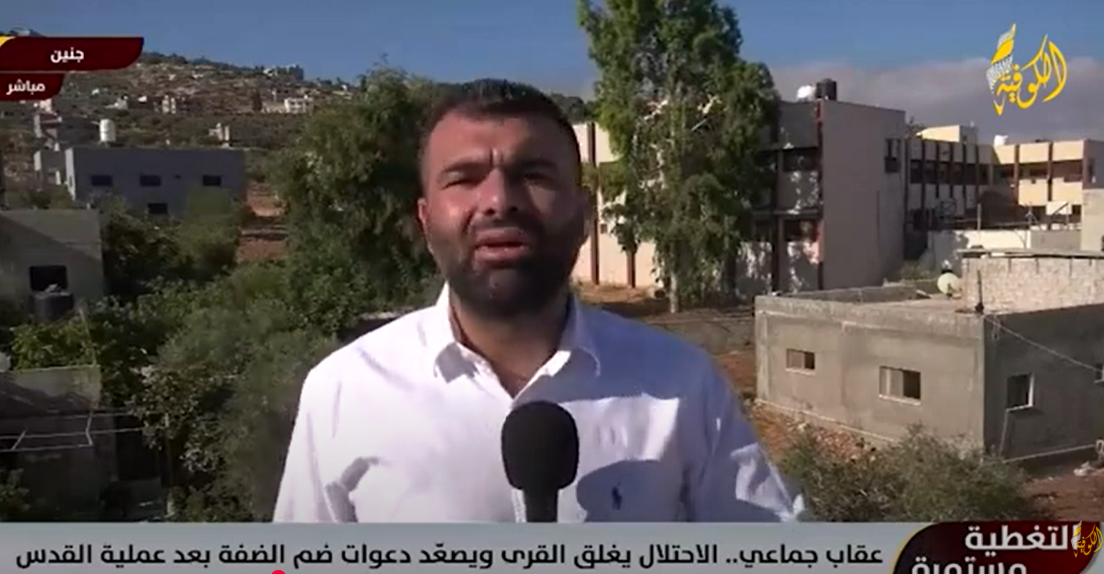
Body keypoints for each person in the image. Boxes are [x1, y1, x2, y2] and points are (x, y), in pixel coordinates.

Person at [273, 79, 804, 522]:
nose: (498, 201)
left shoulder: (683, 384)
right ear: (426, 220)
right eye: (464, 178)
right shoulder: (343, 391)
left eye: (532, 175)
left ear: (583, 214)